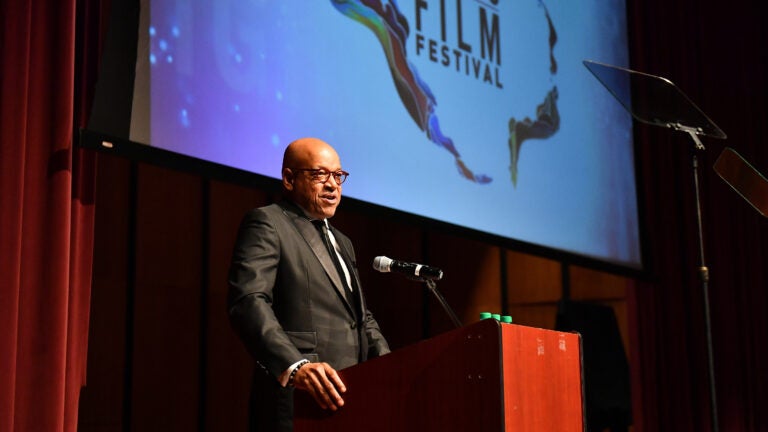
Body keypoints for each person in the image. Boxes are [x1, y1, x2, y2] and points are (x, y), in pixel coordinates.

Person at [227, 137, 390, 431]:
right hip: (298, 399)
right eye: (319, 175)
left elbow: (362, 318)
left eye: (338, 176)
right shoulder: (268, 223)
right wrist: (294, 366)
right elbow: (248, 301)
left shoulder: (344, 242)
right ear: (289, 179)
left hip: (350, 395)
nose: (332, 185)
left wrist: (391, 367)